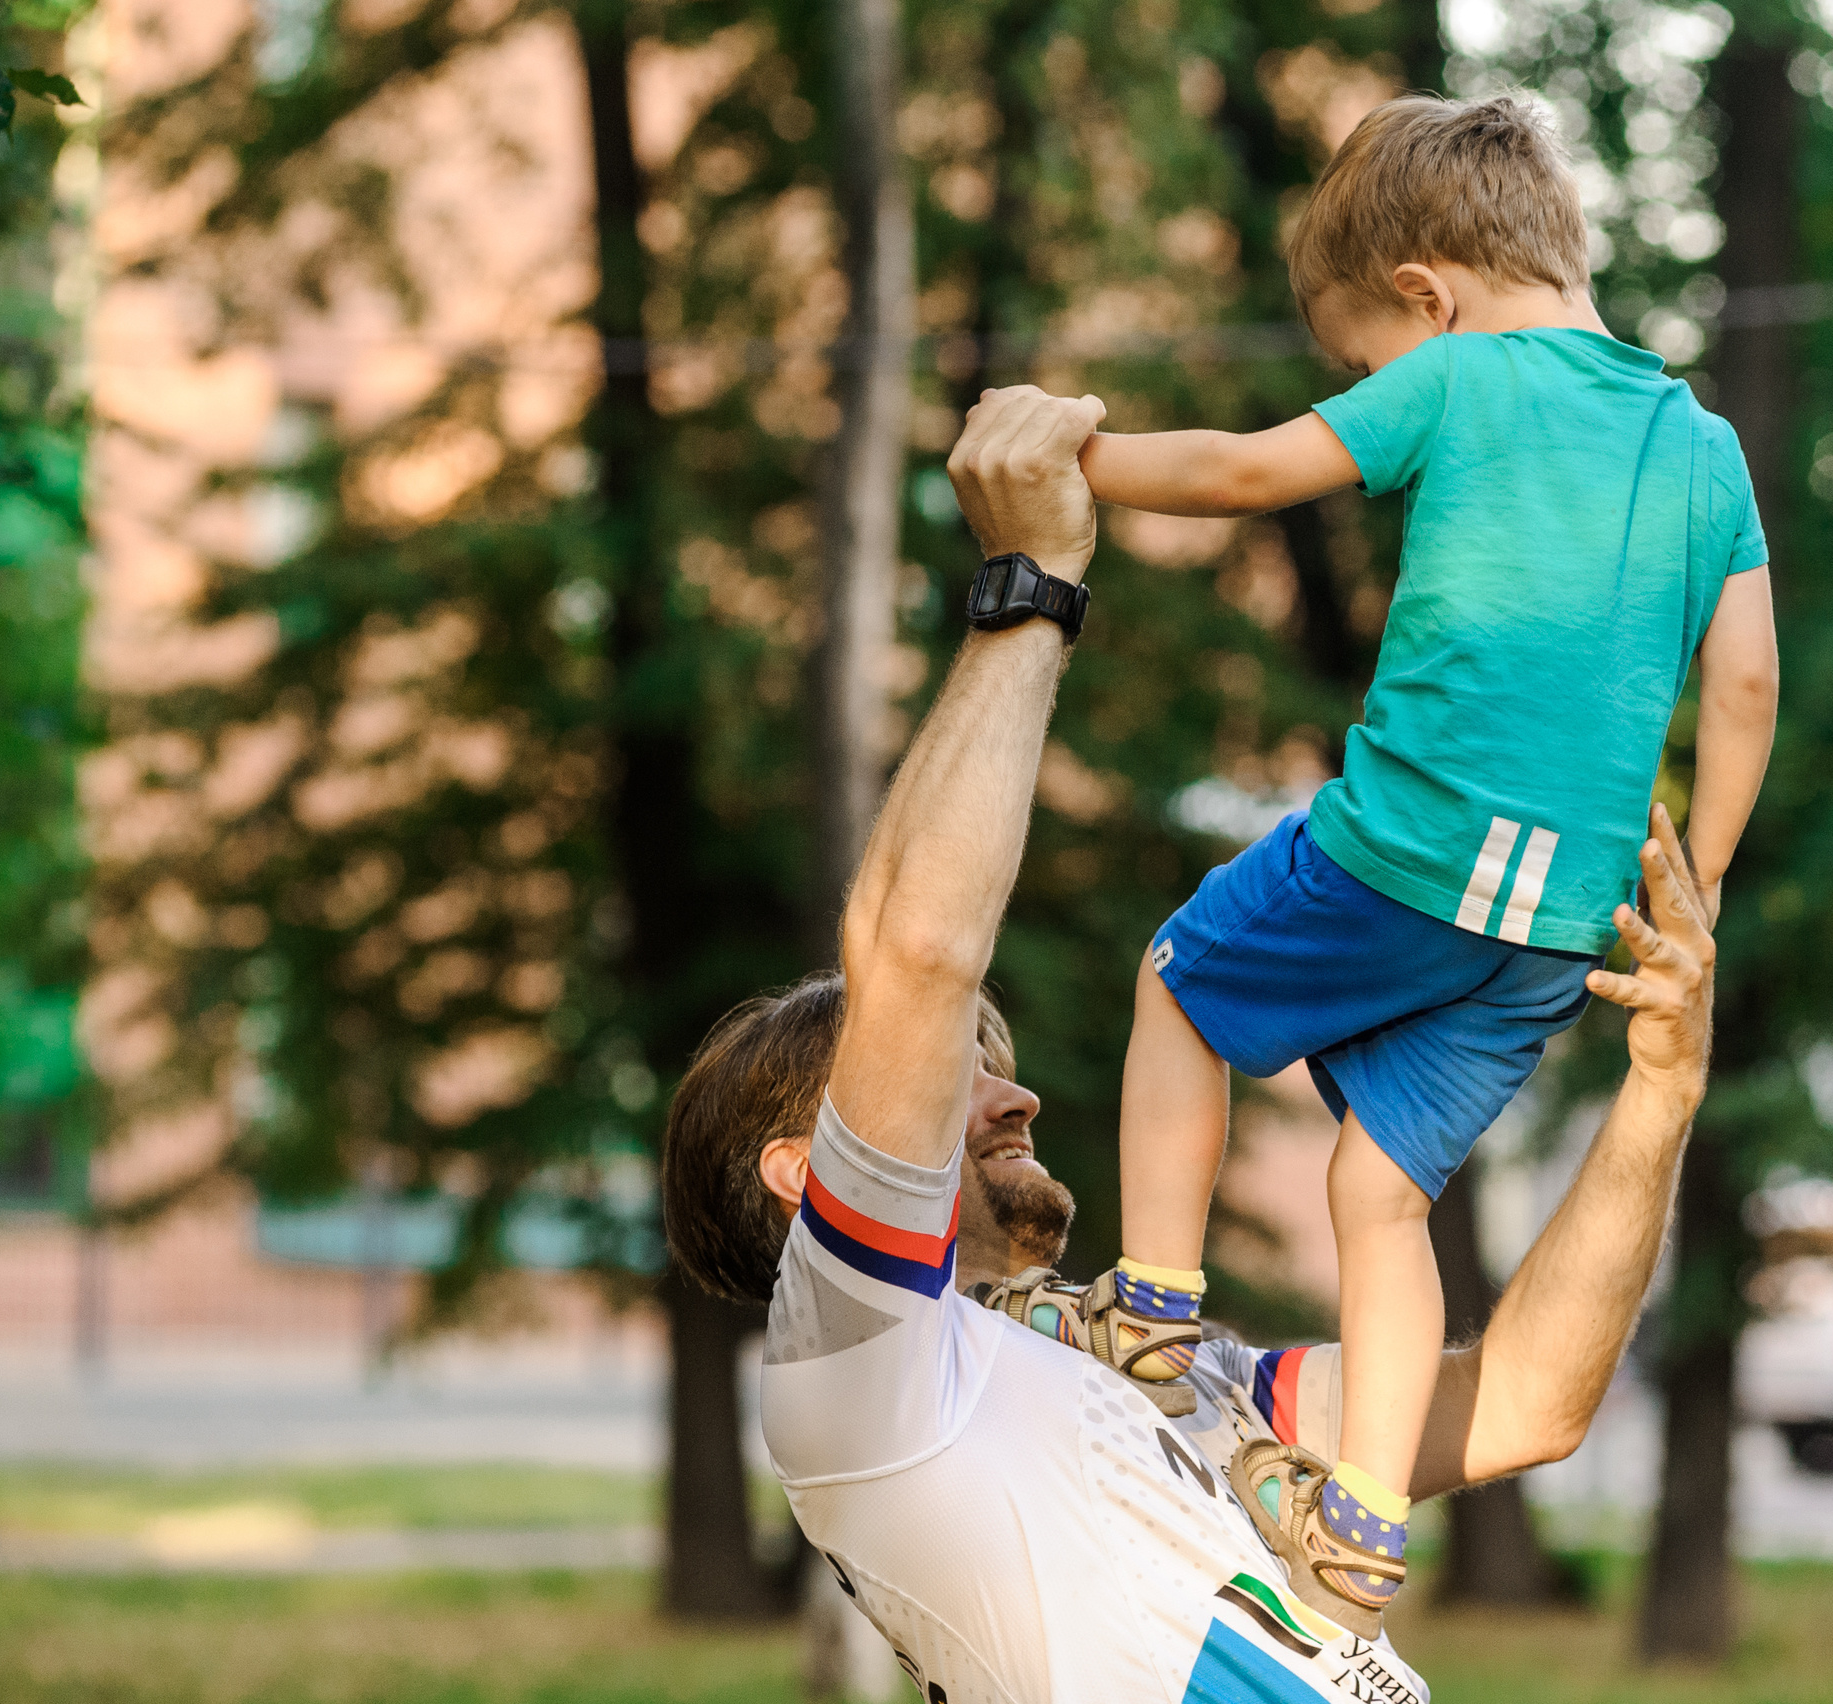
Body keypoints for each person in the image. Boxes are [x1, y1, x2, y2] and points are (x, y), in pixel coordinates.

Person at [660, 383, 1722, 1703]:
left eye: (992, 1061)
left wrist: (1660, 1093)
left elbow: (1522, 1404)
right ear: (805, 1171)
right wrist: (1033, 581)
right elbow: (917, 954)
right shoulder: (858, 1367)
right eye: (952, 1075)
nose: (1011, 1094)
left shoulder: (1167, 1372)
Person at [1057, 93, 1781, 1634]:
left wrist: (1083, 458)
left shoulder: (1458, 376)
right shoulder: (1703, 449)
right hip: (1564, 918)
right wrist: (1697, 890)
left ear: (1425, 295)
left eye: (1363, 361)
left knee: (1178, 982)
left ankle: (1152, 1308)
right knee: (1383, 1194)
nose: (1374, 388)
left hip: (1412, 843)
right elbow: (1746, 684)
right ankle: (1366, 1521)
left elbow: (1244, 474)